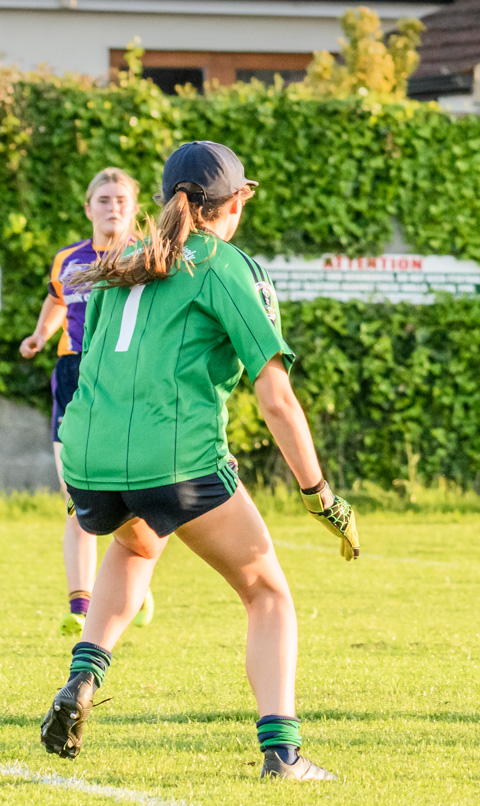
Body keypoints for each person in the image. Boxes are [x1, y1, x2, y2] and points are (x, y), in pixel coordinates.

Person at [38, 141, 361, 779]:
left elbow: (97, 361)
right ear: (235, 202)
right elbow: (277, 400)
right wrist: (320, 495)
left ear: (164, 200)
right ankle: (283, 752)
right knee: (267, 592)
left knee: (134, 547)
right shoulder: (225, 264)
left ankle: (82, 678)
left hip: (88, 457)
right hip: (175, 458)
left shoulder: (123, 257)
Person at [19, 167, 154, 635]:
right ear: (88, 208)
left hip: (126, 376)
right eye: (103, 199)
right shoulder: (69, 260)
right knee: (75, 494)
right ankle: (81, 605)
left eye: (121, 199)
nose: (112, 206)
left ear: (135, 208)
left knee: (133, 489)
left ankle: (131, 569)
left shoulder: (148, 258)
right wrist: (40, 335)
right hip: (74, 374)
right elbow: (58, 299)